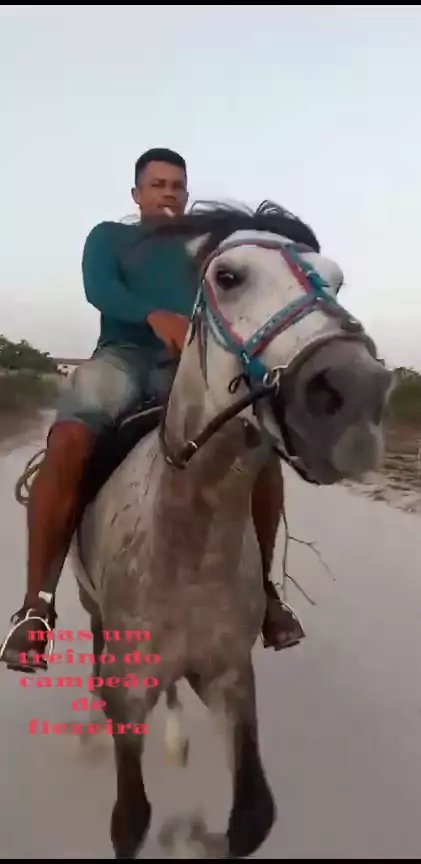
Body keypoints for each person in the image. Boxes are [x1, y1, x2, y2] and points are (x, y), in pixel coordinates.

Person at [0, 148, 305, 673]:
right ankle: (37, 608)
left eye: (176, 186)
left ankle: (263, 589)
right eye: (157, 184)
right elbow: (100, 289)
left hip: (189, 365)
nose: (168, 193)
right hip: (121, 359)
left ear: (186, 195)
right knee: (69, 439)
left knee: (256, 448)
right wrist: (154, 315)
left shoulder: (205, 253)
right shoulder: (110, 238)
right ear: (137, 194)